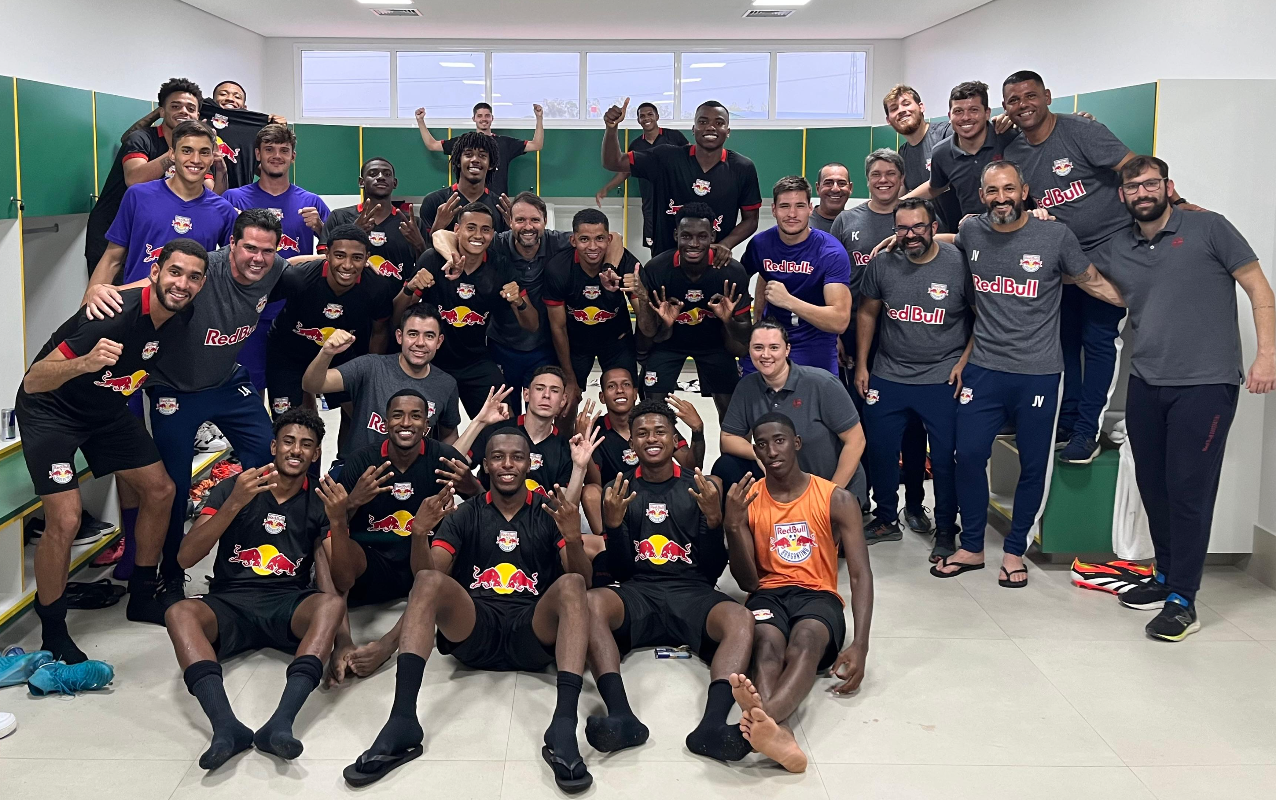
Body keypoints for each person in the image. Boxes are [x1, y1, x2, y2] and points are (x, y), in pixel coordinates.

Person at [342, 428, 598, 791]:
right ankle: (401, 722)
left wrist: (573, 539)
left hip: (532, 632)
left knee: (571, 584)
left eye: (517, 457)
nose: (507, 464)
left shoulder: (546, 513)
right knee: (429, 582)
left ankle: (562, 726)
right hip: (475, 629)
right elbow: (425, 578)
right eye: (498, 456)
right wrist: (418, 533)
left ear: (529, 464)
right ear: (484, 465)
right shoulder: (464, 514)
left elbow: (582, 580)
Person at [1096, 156, 1275, 640]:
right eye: (1133, 187)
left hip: (1205, 385)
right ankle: (1164, 576)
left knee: (1189, 490)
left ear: (1168, 186)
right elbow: (1108, 289)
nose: (1142, 192)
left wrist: (1267, 356)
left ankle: (1184, 600)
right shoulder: (1120, 245)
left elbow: (1259, 288)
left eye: (1150, 183)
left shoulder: (1209, 227)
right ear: (1123, 196)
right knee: (1153, 486)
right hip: (1147, 381)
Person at [83, 209, 299, 593]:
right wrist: (104, 291)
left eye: (267, 250)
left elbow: (300, 263)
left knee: (271, 458)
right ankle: (169, 574)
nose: (257, 258)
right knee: (173, 487)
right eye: (248, 247)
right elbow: (153, 288)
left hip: (228, 383)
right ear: (231, 244)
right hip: (174, 390)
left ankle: (254, 548)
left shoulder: (275, 267)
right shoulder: (205, 270)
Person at [932, 161, 1123, 587]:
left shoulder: (1054, 235)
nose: (1001, 198)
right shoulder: (972, 231)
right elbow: (947, 239)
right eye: (992, 191)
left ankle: (1016, 551)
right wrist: (903, 236)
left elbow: (1090, 280)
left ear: (1024, 190)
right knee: (968, 456)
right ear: (982, 196)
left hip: (1039, 374)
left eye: (1009, 189)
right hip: (983, 369)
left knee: (1034, 465)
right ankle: (973, 546)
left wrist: (1145, 302)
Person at [17, 240, 208, 662]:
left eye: (194, 277)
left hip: (105, 410)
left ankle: (141, 596)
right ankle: (52, 629)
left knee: (161, 490)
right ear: (156, 272)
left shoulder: (182, 311)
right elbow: (34, 380)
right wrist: (84, 363)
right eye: (175, 272)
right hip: (52, 410)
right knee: (64, 520)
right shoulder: (112, 314)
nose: (183, 284)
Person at [1000, 70, 1193, 465]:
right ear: (1006, 108)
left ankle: (1088, 430)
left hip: (1111, 249)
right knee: (1064, 341)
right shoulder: (1016, 153)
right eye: (1014, 100)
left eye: (1030, 96)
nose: (1024, 105)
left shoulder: (1080, 131)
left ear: (1048, 96)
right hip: (1063, 256)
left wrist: (1179, 204)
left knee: (1099, 339)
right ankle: (1067, 422)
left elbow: (1133, 168)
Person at [165, 409, 344, 770]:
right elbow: (185, 557)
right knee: (178, 612)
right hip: (230, 601)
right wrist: (233, 504)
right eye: (289, 441)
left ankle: (281, 723)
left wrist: (339, 521)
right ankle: (225, 728)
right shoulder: (234, 486)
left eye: (307, 445)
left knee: (330, 605)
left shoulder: (320, 499)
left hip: (287, 604)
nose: (296, 451)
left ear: (316, 453)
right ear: (273, 445)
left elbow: (341, 575)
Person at [585, 400, 755, 763]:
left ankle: (711, 725)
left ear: (675, 438)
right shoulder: (621, 491)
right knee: (591, 603)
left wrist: (713, 522)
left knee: (741, 618)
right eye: (642, 432)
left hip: (692, 592)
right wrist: (613, 528)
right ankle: (621, 715)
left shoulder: (702, 487)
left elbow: (710, 572)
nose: (651, 439)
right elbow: (621, 571)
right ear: (631, 442)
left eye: (660, 431)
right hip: (639, 592)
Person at [721, 413, 873, 773]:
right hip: (768, 593)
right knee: (767, 646)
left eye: (780, 441)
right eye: (762, 444)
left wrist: (861, 644)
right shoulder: (749, 498)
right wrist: (733, 524)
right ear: (754, 450)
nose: (771, 451)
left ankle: (763, 718)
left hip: (818, 594)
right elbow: (748, 582)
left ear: (797, 443)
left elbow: (860, 574)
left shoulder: (835, 498)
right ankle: (779, 733)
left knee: (804, 641)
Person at [321, 390, 483, 681]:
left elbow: (487, 510)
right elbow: (332, 522)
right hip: (371, 564)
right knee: (327, 544)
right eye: (397, 415)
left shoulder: (444, 458)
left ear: (426, 425)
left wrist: (473, 487)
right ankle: (342, 639)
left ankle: (387, 644)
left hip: (423, 563)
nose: (405, 422)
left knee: (457, 540)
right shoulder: (361, 462)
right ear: (385, 423)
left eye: (415, 416)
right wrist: (354, 500)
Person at [854, 198, 972, 555]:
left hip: (941, 375)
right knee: (880, 448)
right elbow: (867, 314)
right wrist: (862, 364)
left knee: (943, 457)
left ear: (934, 228)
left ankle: (947, 527)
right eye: (902, 228)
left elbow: (982, 317)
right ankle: (887, 517)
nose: (910, 235)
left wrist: (965, 362)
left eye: (918, 227)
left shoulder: (958, 264)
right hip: (889, 373)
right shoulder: (883, 263)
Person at [830, 149, 931, 530]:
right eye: (876, 174)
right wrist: (837, 333)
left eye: (891, 173)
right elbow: (833, 278)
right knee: (866, 421)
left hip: (909, 330)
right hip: (859, 331)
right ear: (866, 179)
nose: (884, 179)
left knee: (913, 425)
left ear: (903, 177)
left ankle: (916, 504)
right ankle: (871, 502)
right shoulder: (848, 219)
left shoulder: (915, 217)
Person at [265, 224, 393, 456]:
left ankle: (344, 470)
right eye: (339, 255)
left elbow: (380, 330)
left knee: (362, 416)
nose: (347, 265)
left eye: (356, 258)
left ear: (367, 259)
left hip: (340, 357)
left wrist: (371, 370)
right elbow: (260, 295)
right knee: (291, 426)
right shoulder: (298, 278)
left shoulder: (376, 288)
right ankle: (304, 481)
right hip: (287, 356)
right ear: (327, 255)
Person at [226, 123, 331, 397]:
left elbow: (334, 255)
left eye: (284, 150)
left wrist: (321, 229)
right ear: (258, 154)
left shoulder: (311, 202)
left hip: (295, 312)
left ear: (293, 156)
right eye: (269, 149)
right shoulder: (233, 199)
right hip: (247, 310)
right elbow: (218, 253)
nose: (277, 155)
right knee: (249, 389)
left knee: (300, 392)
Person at [403, 203, 538, 416]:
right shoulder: (433, 259)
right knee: (426, 426)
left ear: (493, 234)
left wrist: (518, 301)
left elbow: (532, 324)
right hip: (432, 361)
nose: (478, 235)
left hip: (476, 362)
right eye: (471, 227)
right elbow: (398, 311)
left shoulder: (500, 267)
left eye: (485, 229)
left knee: (503, 418)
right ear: (457, 230)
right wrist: (410, 289)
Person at [717, 321, 868, 503]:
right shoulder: (747, 386)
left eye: (774, 347)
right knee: (726, 466)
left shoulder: (822, 383)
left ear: (787, 349)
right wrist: (758, 454)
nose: (765, 355)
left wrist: (830, 495)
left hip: (828, 486)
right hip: (782, 487)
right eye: (758, 347)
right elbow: (727, 439)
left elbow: (856, 440)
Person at [631, 203, 752, 420]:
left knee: (732, 415)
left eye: (702, 236)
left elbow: (744, 337)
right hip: (668, 345)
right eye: (686, 236)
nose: (694, 244)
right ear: (676, 234)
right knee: (652, 412)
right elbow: (649, 332)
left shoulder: (732, 273)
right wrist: (645, 300)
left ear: (712, 236)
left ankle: (733, 454)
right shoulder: (657, 269)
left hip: (714, 345)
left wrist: (728, 321)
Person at [602, 98, 761, 256]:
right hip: (666, 261)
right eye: (703, 122)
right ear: (693, 129)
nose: (711, 127)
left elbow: (751, 220)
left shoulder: (742, 168)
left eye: (719, 123)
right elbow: (613, 162)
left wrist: (725, 244)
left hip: (714, 263)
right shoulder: (666, 158)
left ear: (728, 131)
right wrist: (611, 128)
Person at [302, 302, 462, 456]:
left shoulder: (446, 384)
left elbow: (448, 434)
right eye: (413, 334)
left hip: (409, 476)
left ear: (439, 341)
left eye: (429, 336)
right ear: (399, 336)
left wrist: (445, 467)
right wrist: (327, 353)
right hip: (358, 472)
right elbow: (312, 385)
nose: (420, 343)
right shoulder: (370, 366)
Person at [91, 120, 238, 287]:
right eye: (187, 151)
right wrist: (87, 306)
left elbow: (232, 268)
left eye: (204, 152)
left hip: (192, 308)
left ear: (213, 157)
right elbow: (112, 259)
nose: (195, 159)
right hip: (137, 306)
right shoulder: (138, 196)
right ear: (172, 154)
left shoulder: (223, 210)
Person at [85, 78, 205, 277]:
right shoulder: (142, 139)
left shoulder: (195, 150)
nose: (184, 111)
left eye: (190, 108)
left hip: (149, 234)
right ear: (162, 112)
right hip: (111, 232)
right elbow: (134, 179)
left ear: (197, 116)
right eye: (175, 106)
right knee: (111, 300)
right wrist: (175, 152)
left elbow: (206, 189)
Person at [742, 175, 851, 375]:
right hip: (771, 340)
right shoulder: (760, 244)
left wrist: (788, 301)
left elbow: (840, 320)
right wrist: (753, 323)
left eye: (799, 206)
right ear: (773, 209)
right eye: (784, 206)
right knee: (749, 398)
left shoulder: (830, 252)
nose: (792, 214)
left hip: (814, 343)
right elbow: (741, 283)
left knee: (814, 403)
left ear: (810, 208)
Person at [578, 368, 701, 538]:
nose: (620, 390)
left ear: (635, 393)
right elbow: (594, 482)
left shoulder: (655, 422)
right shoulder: (596, 429)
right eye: (611, 386)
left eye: (626, 385)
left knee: (706, 483)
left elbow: (692, 467)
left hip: (660, 492)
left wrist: (698, 431)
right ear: (602, 396)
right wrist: (585, 446)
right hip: (616, 499)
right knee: (590, 492)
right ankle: (608, 543)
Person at [544, 208, 641, 410]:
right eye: (584, 239)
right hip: (576, 345)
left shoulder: (627, 264)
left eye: (599, 239)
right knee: (566, 403)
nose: (593, 246)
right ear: (573, 241)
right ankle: (564, 441)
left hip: (617, 343)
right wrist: (570, 379)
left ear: (608, 239)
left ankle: (625, 441)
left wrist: (643, 293)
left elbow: (644, 319)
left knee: (625, 402)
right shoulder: (558, 269)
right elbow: (558, 328)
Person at [903, 81, 1019, 217]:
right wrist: (899, 203)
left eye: (974, 110)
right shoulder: (941, 153)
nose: (965, 117)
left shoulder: (1009, 137)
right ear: (949, 116)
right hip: (974, 231)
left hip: (1016, 227)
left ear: (987, 113)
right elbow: (935, 187)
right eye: (958, 111)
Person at [321, 159, 428, 299]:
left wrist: (419, 245)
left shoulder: (412, 223)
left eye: (387, 174)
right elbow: (324, 261)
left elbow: (425, 269)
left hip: (399, 304)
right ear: (361, 182)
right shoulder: (339, 216)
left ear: (394, 183)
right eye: (373, 173)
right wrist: (353, 233)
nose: (381, 177)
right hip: (350, 303)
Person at [594, 102, 689, 253]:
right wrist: (607, 188)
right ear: (638, 120)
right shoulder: (636, 145)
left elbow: (690, 161)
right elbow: (625, 171)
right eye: (642, 116)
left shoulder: (674, 136)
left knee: (683, 241)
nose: (646, 118)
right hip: (650, 203)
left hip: (676, 200)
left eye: (650, 114)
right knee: (657, 248)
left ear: (657, 116)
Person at [467, 367, 574, 497]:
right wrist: (479, 422)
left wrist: (580, 467)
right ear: (526, 394)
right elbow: (453, 464)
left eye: (554, 391)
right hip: (488, 513)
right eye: (540, 388)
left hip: (540, 516)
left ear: (563, 400)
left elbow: (565, 509)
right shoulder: (496, 431)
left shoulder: (565, 448)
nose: (546, 395)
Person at [415, 101, 544, 198]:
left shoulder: (505, 143)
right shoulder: (464, 142)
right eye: (480, 116)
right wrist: (420, 121)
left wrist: (539, 118)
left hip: (497, 203)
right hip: (467, 201)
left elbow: (537, 145)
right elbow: (432, 145)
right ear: (474, 119)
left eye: (487, 116)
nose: (484, 119)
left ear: (492, 118)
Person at [883, 84, 962, 233]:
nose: (901, 110)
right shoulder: (903, 153)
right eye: (894, 108)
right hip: (933, 239)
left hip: (964, 231)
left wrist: (900, 202)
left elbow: (942, 183)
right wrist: (879, 206)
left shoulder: (947, 134)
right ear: (888, 120)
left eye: (906, 103)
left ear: (921, 107)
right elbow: (901, 191)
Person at [418, 132, 508, 236]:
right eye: (468, 155)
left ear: (491, 164)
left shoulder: (500, 207)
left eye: (482, 156)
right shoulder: (434, 201)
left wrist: (513, 229)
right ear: (458, 161)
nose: (475, 160)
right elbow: (425, 249)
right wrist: (439, 226)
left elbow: (504, 250)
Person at [810, 163, 852, 233]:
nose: (835, 189)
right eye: (828, 183)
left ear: (850, 188)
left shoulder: (858, 224)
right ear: (818, 188)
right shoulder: (804, 224)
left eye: (841, 183)